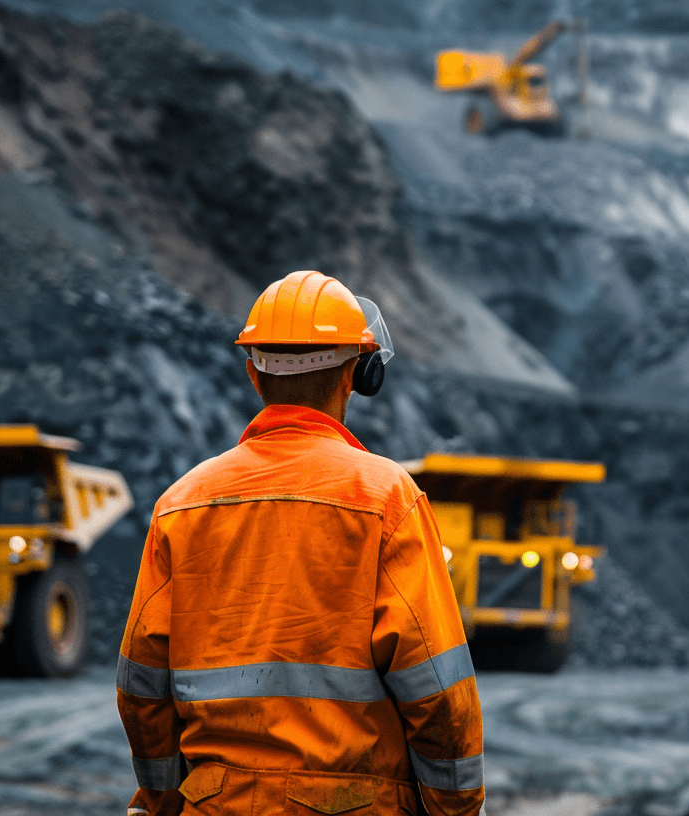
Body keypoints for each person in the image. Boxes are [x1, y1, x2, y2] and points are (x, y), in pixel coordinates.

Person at [116, 271, 484, 816]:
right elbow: (436, 688)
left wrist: (166, 801)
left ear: (253, 374)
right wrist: (455, 809)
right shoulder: (386, 500)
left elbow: (142, 687)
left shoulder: (182, 504)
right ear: (357, 375)